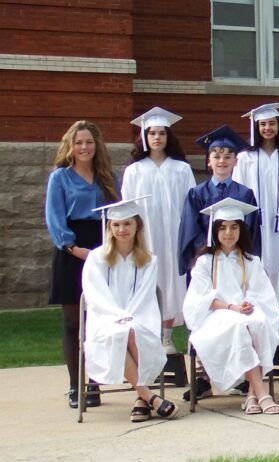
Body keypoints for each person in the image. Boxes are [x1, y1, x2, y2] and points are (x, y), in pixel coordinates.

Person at [82, 196, 181, 422]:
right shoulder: (97, 258)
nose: (122, 229)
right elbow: (95, 295)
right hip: (105, 319)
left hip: (139, 315)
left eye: (127, 223)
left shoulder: (149, 260)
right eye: (116, 224)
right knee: (118, 333)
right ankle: (149, 397)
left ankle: (142, 399)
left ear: (138, 226)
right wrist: (118, 317)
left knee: (133, 332)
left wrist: (128, 317)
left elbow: (145, 296)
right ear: (109, 227)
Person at [182, 198, 279, 414]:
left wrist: (248, 304)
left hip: (246, 312)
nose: (228, 233)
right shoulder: (204, 262)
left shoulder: (250, 260)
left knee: (259, 323)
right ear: (215, 231)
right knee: (240, 327)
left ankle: (252, 395)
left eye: (234, 227)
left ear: (241, 230)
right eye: (223, 228)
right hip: (214, 316)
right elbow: (201, 299)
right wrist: (231, 308)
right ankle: (261, 393)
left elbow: (262, 293)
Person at [45, 120, 120, 408]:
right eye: (78, 143)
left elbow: (118, 214)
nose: (84, 147)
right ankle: (76, 386)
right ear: (70, 146)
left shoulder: (108, 177)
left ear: (96, 145)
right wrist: (73, 247)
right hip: (72, 249)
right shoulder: (60, 177)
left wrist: (109, 248)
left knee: (97, 321)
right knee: (73, 322)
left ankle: (94, 383)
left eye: (89, 142)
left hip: (104, 249)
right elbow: (54, 217)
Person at [122, 107, 196, 353]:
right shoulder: (134, 170)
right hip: (147, 235)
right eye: (152, 133)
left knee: (173, 281)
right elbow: (128, 207)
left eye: (162, 133)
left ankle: (167, 335)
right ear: (144, 137)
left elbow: (190, 204)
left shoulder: (181, 169)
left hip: (174, 235)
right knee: (148, 281)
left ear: (168, 136)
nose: (157, 138)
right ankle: (149, 336)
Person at [236, 102, 279, 313]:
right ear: (256, 128)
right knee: (259, 269)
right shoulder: (245, 158)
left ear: (278, 126)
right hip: (257, 224)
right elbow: (239, 192)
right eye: (263, 124)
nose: (267, 128)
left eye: (272, 124)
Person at [179, 126, 260, 279]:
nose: (222, 161)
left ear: (235, 161)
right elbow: (191, 230)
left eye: (228, 157)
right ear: (209, 161)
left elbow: (251, 231)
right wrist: (212, 250)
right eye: (216, 156)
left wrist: (232, 249)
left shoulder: (245, 194)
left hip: (237, 258)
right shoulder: (196, 194)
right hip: (206, 258)